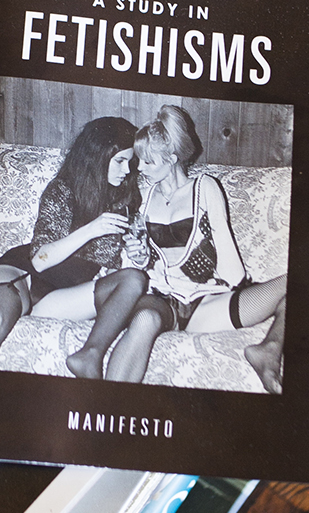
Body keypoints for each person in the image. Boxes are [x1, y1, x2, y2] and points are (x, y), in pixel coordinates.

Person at [105, 105, 286, 394]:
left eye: (148, 162)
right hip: (162, 299)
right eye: (140, 160)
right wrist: (139, 256)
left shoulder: (205, 187)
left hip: (206, 303)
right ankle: (108, 403)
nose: (140, 168)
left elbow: (232, 271)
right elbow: (139, 262)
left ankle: (269, 350)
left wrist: (232, 282)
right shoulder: (145, 195)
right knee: (144, 319)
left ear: (172, 159)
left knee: (298, 283)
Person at [0, 115, 149, 377]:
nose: (127, 170)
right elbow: (40, 260)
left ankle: (89, 356)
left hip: (62, 294)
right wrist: (92, 229)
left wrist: (135, 256)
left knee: (134, 279)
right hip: (23, 274)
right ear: (98, 157)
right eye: (119, 161)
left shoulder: (125, 199)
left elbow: (113, 269)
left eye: (130, 162)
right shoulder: (62, 190)